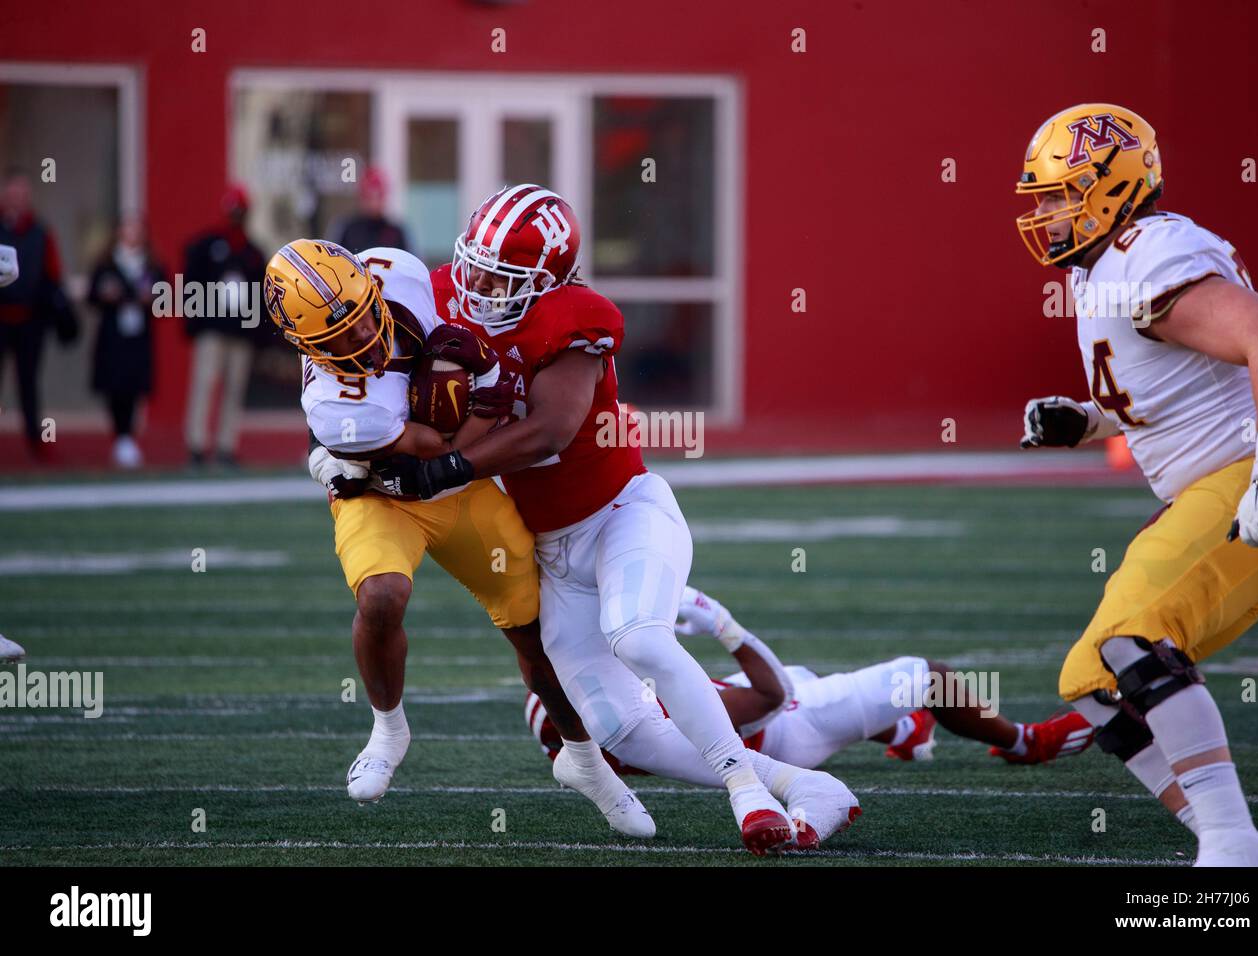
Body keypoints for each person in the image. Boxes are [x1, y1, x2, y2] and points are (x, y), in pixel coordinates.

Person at [375, 185, 859, 855]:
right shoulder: (441, 292)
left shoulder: (575, 320)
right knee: (618, 727)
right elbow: (380, 375)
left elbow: (550, 429)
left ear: (549, 281)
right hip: (551, 551)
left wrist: (447, 471)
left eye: (502, 276)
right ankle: (806, 785)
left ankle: (745, 792)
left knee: (638, 637)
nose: (478, 284)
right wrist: (346, 440)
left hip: (622, 516)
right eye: (474, 263)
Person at [265, 239, 652, 837]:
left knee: (533, 628)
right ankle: (388, 728)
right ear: (305, 349)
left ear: (373, 285)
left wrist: (484, 383)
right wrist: (470, 410)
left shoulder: (404, 277)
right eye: (335, 339)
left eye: (361, 315)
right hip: (384, 498)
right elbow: (433, 449)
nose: (358, 338)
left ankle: (584, 759)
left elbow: (461, 426)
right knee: (381, 597)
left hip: (458, 494)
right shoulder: (337, 403)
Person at [1015, 103, 1258, 867]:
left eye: (1056, 193)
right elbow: (1169, 390)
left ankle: (1234, 844)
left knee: (1131, 642)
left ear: (1112, 184)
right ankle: (1231, 840)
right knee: (1091, 676)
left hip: (1249, 479)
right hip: (1213, 485)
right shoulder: (1105, 265)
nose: (1043, 213)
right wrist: (1087, 422)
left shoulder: (1149, 249)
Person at [526, 585, 1096, 774]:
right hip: (791, 729)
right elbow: (774, 694)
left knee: (804, 673)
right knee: (926, 677)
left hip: (764, 717)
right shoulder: (653, 725)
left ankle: (899, 733)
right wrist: (723, 624)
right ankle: (1025, 742)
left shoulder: (610, 737)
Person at [182, 183, 267, 467]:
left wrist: (259, 331)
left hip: (241, 332)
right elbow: (191, 279)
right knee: (204, 384)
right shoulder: (208, 245)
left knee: (234, 389)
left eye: (240, 211)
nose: (237, 216)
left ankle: (226, 446)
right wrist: (193, 318)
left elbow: (261, 294)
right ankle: (196, 444)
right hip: (212, 329)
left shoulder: (253, 253)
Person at [0, 169, 76, 459]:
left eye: (23, 193)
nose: (18, 199)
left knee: (29, 381)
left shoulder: (40, 232)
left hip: (30, 320)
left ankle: (36, 440)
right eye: (13, 192)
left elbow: (52, 274)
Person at [86, 215, 165, 469]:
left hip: (138, 338)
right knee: (115, 386)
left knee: (134, 387)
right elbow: (92, 296)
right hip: (113, 337)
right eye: (128, 229)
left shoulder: (152, 265)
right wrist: (106, 295)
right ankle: (120, 437)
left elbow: (165, 300)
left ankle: (128, 437)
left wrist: (150, 299)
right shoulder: (106, 265)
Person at [331, 167, 409, 255]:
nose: (373, 203)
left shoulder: (395, 232)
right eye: (369, 197)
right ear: (361, 197)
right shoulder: (348, 230)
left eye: (377, 197)